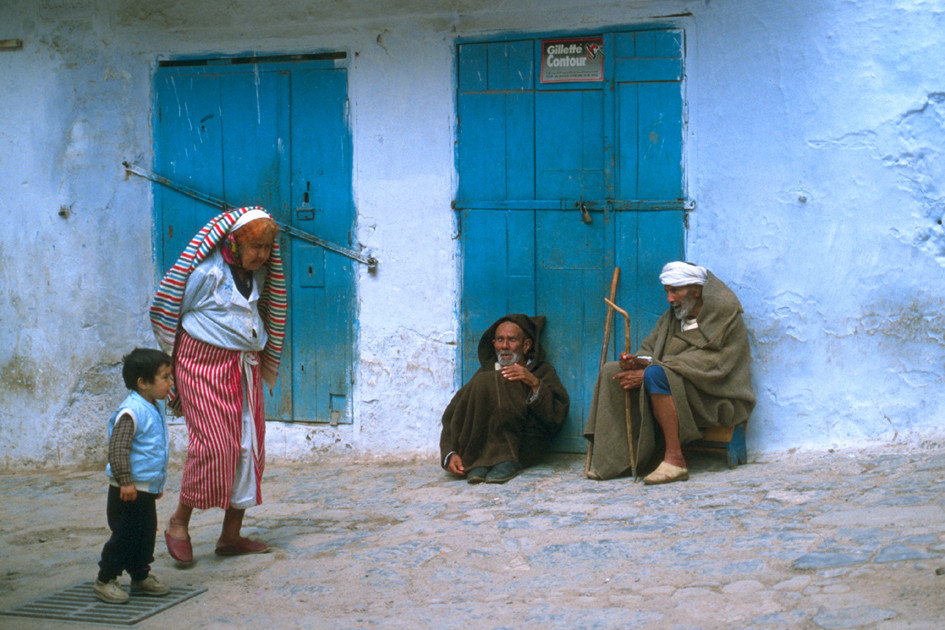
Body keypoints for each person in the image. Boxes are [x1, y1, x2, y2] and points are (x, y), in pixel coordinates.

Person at [150, 207, 287, 563]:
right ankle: (178, 523)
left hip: (243, 368)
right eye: (255, 247)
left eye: (267, 248)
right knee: (213, 446)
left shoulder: (257, 277)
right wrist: (173, 369)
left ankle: (230, 536)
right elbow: (168, 312)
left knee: (248, 445)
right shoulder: (207, 274)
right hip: (202, 366)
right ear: (234, 243)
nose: (261, 255)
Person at [584, 262, 755, 484]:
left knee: (656, 375)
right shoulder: (671, 319)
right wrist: (637, 362)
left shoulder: (726, 320)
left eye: (675, 291)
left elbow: (716, 365)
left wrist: (651, 371)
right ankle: (619, 460)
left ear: (696, 289)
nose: (670, 299)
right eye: (667, 292)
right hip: (674, 386)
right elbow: (651, 352)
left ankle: (675, 460)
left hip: (714, 396)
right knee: (611, 372)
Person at [440, 314, 570, 484]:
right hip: (480, 452)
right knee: (485, 381)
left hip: (521, 449)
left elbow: (556, 416)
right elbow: (454, 413)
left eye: (512, 340)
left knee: (497, 381)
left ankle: (504, 459)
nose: (505, 346)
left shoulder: (542, 371)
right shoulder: (484, 374)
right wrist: (450, 453)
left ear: (526, 345)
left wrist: (533, 383)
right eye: (500, 340)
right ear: (494, 344)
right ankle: (481, 460)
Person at [94, 348, 174, 604]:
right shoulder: (131, 412)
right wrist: (126, 482)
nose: (170, 382)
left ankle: (140, 575)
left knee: (146, 533)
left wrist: (154, 483)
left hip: (144, 489)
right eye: (165, 377)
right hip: (126, 491)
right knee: (125, 536)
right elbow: (118, 449)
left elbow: (151, 450)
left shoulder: (154, 406)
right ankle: (106, 579)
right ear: (142, 382)